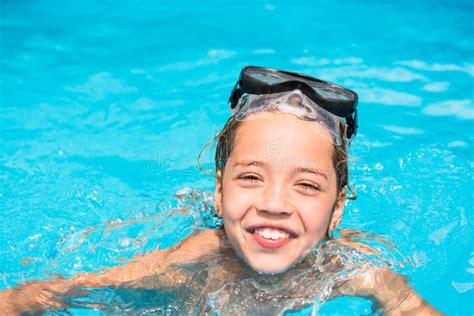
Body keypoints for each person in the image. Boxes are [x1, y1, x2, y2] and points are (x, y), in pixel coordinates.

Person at [0, 66, 441, 315]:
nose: (273, 204)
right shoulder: (197, 255)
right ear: (218, 192)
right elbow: (67, 289)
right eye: (251, 177)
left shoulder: (354, 268)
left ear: (337, 209)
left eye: (306, 185)